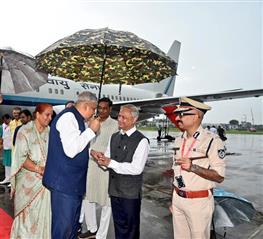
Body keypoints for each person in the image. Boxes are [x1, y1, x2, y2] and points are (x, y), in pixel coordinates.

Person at [43, 91, 100, 239]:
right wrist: (91, 131)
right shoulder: (69, 117)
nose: (94, 113)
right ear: (87, 106)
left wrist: (90, 152)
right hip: (64, 184)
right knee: (63, 228)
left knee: (72, 227)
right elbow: (71, 150)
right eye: (94, 109)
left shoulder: (77, 119)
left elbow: (73, 145)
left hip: (72, 184)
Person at [171, 97, 226, 239]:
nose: (177, 118)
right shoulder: (178, 140)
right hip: (178, 199)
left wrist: (193, 167)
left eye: (182, 114)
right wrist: (173, 200)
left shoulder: (212, 141)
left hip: (198, 203)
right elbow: (176, 171)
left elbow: (219, 176)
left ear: (196, 116)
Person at [93, 104, 150, 239]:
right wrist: (101, 160)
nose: (120, 119)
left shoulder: (141, 140)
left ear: (134, 120)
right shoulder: (114, 137)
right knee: (119, 226)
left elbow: (137, 168)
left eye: (124, 117)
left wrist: (110, 163)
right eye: (119, 116)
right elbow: (109, 161)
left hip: (130, 194)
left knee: (130, 229)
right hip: (114, 190)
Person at [10, 103, 53, 239]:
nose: (50, 118)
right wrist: (38, 169)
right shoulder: (25, 131)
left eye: (51, 115)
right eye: (47, 114)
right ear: (38, 114)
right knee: (27, 215)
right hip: (27, 183)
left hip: (45, 182)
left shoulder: (50, 131)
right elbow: (20, 158)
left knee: (42, 214)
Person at [79, 97, 118, 239]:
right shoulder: (89, 122)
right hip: (89, 164)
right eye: (99, 108)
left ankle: (101, 235)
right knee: (87, 197)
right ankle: (92, 228)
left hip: (105, 165)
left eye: (105, 108)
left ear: (110, 109)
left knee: (106, 202)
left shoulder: (115, 125)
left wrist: (105, 157)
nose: (101, 110)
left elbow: (115, 145)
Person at [0, 114, 12, 185]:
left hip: (12, 148)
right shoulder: (2, 126)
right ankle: (7, 178)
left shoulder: (13, 124)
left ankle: (11, 180)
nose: (5, 121)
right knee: (6, 163)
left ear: (9, 118)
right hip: (5, 147)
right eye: (4, 120)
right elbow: (1, 137)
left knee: (11, 163)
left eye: (6, 120)